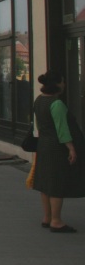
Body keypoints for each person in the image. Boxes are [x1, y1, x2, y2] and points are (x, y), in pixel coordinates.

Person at [32, 70, 85, 232]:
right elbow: (62, 129)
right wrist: (71, 148)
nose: (64, 84)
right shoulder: (57, 104)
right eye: (62, 81)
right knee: (56, 182)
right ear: (56, 85)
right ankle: (56, 220)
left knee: (45, 182)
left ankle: (47, 217)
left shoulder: (39, 100)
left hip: (43, 144)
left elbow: (40, 124)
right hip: (56, 147)